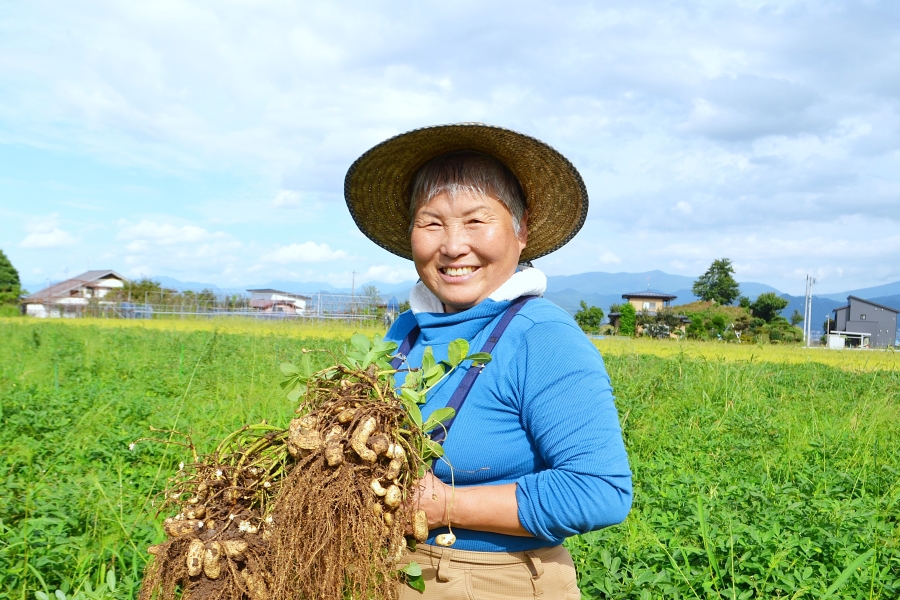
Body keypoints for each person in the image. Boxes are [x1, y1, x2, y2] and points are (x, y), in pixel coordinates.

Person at [344, 123, 632, 599]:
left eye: (477, 221)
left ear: (522, 230)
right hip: (388, 570)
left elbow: (599, 490)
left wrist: (446, 505)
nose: (453, 245)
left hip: (497, 580)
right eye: (431, 223)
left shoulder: (542, 337)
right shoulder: (404, 331)